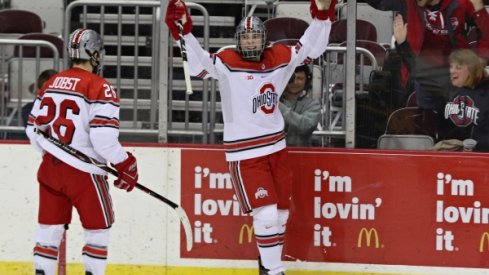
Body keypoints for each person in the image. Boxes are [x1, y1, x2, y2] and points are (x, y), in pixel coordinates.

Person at [165, 0, 334, 273]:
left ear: (265, 40)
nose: (251, 42)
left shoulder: (279, 57)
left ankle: (267, 267)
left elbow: (312, 47)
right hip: (245, 154)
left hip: (276, 148)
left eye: (256, 36)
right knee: (265, 215)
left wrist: (323, 17)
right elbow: (198, 66)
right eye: (246, 37)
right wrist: (184, 33)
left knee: (280, 215)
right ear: (238, 41)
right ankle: (274, 270)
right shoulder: (227, 61)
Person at [25, 28, 139, 275]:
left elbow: (32, 129)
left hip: (50, 170)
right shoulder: (100, 86)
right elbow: (103, 139)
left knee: (49, 230)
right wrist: (125, 162)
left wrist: (50, 154)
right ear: (95, 54)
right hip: (84, 175)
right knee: (98, 230)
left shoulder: (52, 81)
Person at [368, 0, 489, 110]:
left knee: (460, 124)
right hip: (424, 76)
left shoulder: (461, 4)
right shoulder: (409, 3)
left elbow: (486, 33)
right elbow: (377, 2)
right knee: (427, 123)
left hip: (456, 75)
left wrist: (479, 61)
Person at [435, 48, 489, 151]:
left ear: (472, 69)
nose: (452, 71)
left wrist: (476, 146)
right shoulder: (447, 92)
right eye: (451, 67)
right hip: (451, 154)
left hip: (481, 156)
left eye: (458, 67)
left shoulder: (486, 93)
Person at [280, 65, 321, 147]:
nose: (295, 82)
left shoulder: (313, 104)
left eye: (300, 78)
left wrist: (279, 107)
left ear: (306, 81)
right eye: (291, 77)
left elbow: (306, 125)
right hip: (275, 154)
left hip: (302, 155)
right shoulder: (272, 103)